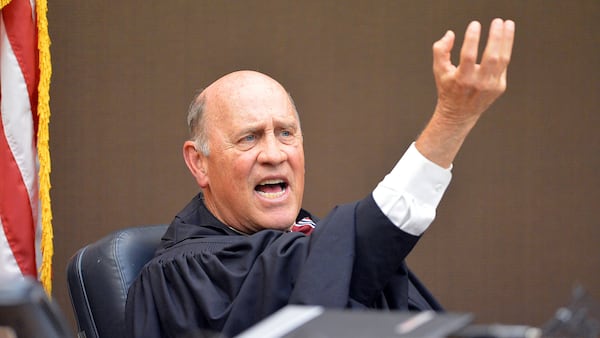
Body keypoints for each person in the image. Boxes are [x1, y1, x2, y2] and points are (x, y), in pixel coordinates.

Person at [126, 18, 515, 338]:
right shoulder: (187, 276)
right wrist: (450, 121)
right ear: (199, 163)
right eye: (249, 137)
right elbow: (343, 254)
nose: (275, 154)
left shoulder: (304, 238)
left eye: (286, 133)